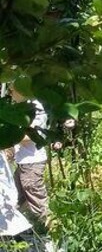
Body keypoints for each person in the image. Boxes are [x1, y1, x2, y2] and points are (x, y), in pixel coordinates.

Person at [9, 88, 49, 230]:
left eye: (12, 90)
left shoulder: (35, 108)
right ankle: (14, 227)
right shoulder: (20, 108)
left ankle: (47, 227)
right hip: (23, 162)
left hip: (32, 160)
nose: (10, 93)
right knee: (15, 194)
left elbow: (33, 136)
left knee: (35, 196)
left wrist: (9, 138)